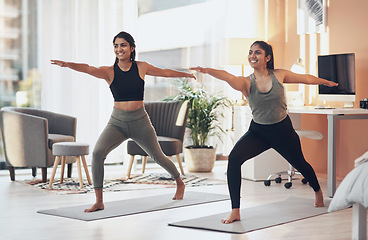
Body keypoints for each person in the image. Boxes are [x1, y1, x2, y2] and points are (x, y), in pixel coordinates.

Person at [190, 40, 337, 224]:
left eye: (257, 52)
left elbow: (305, 78)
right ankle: (235, 210)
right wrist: (206, 70)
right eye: (251, 52)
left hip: (283, 131)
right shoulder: (245, 82)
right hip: (258, 132)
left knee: (301, 164)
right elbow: (227, 76)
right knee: (234, 159)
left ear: (267, 57)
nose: (253, 55)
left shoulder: (279, 75)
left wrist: (325, 82)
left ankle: (317, 191)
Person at [51, 31, 196, 212]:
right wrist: (68, 64)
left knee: (158, 156)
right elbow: (88, 68)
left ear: (132, 48)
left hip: (140, 121)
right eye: (116, 46)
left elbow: (164, 72)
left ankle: (179, 182)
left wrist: (186, 75)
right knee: (97, 154)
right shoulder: (109, 71)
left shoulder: (141, 67)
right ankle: (99, 201)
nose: (119, 49)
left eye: (123, 45)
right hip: (117, 123)